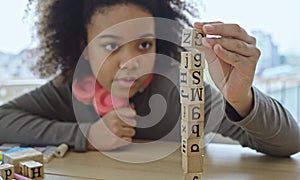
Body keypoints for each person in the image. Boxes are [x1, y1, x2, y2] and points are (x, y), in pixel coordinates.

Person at [0, 0, 299, 157]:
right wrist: (86, 136)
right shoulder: (68, 87)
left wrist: (241, 100)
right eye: (110, 45)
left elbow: (289, 144)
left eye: (144, 44)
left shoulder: (178, 89)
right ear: (84, 48)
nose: (133, 62)